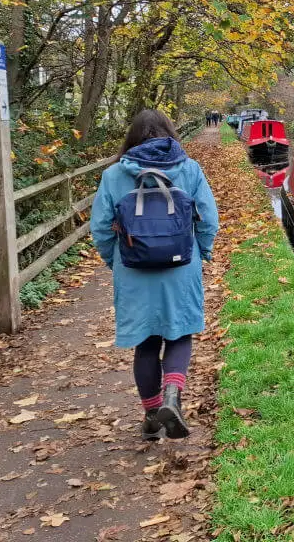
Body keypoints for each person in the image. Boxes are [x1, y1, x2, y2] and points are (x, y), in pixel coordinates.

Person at [90, 110, 219, 440]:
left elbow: (101, 229)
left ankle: (151, 416)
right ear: (170, 134)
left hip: (133, 272)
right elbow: (208, 220)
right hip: (180, 268)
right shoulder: (188, 170)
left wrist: (114, 260)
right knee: (180, 334)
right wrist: (201, 251)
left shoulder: (114, 175)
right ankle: (173, 397)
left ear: (130, 138)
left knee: (146, 345)